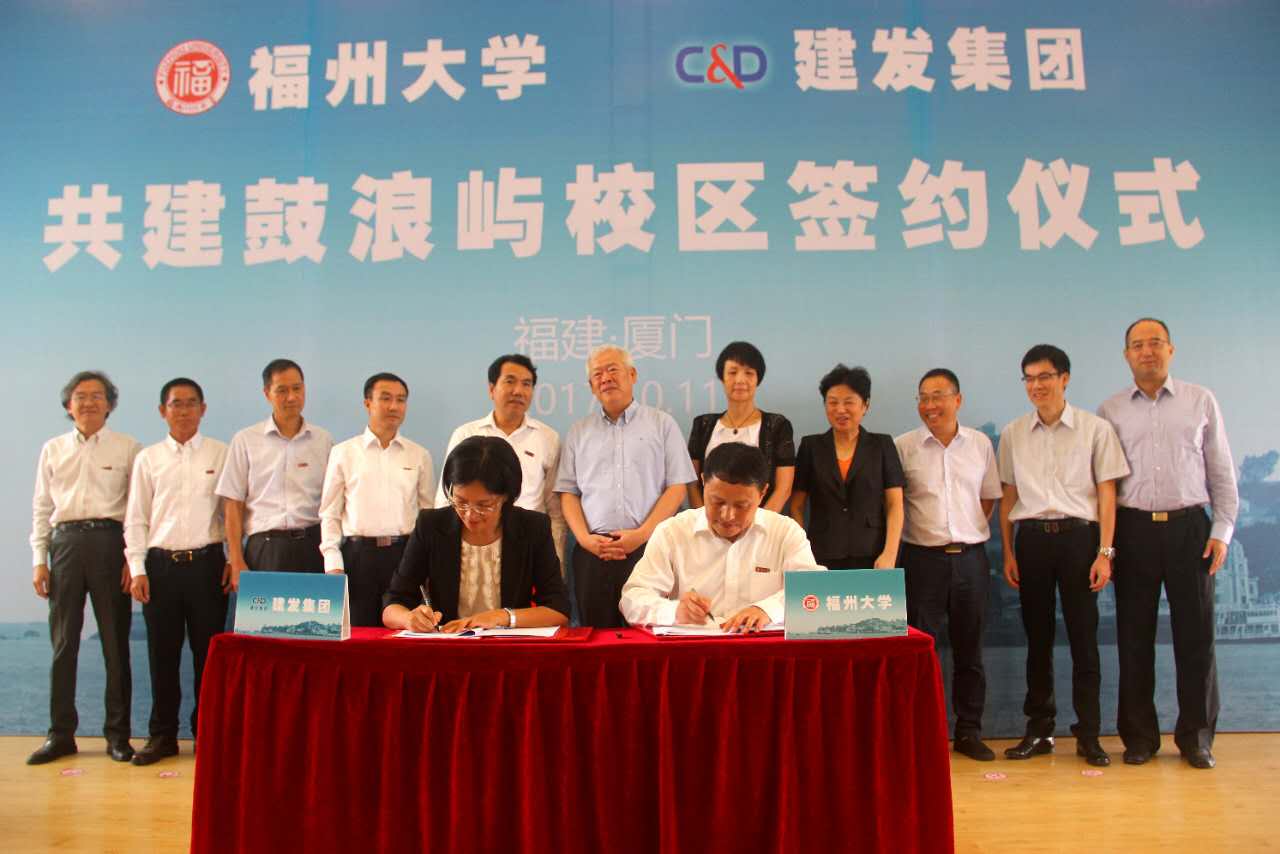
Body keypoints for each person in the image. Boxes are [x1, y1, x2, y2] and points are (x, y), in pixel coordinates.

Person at [1098, 318, 1238, 770]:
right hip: (1133, 531)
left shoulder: (1201, 400)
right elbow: (1103, 485)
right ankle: (1139, 738)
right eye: (1137, 345)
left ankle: (1196, 738)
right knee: (1133, 638)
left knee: (1196, 639)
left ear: (1171, 349)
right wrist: (1106, 546)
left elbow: (1221, 471)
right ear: (1126, 355)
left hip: (1189, 529)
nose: (1147, 351)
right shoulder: (1110, 410)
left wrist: (1221, 531)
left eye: (1155, 343)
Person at [998, 344, 1129, 767]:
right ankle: (1039, 730)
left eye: (1045, 377)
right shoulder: (1013, 433)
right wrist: (1008, 551)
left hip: (1079, 540)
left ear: (1065, 378)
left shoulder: (1095, 429)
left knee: (1084, 640)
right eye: (1029, 378)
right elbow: (1008, 497)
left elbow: (1107, 495)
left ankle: (1089, 735)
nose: (1036, 385)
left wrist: (1104, 553)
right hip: (1032, 541)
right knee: (1037, 641)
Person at [28, 371, 141, 765]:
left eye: (97, 396)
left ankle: (118, 736)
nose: (89, 402)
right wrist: (39, 560)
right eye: (81, 396)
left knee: (115, 645)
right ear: (68, 405)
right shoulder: (53, 449)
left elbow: (136, 510)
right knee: (64, 645)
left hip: (111, 544)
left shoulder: (129, 448)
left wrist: (132, 559)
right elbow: (42, 507)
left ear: (110, 404)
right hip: (65, 546)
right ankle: (60, 735)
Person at [895, 369, 1003, 762]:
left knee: (970, 651)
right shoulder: (903, 446)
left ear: (958, 400)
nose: (930, 405)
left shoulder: (979, 445)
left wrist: (964, 532)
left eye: (938, 396)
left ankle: (969, 732)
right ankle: (922, 733)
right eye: (923, 397)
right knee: (921, 652)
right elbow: (896, 504)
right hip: (922, 559)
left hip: (971, 559)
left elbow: (988, 499)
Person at [124, 378, 229, 765]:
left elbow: (231, 513)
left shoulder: (221, 453)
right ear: (162, 411)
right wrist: (137, 568)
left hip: (208, 565)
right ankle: (162, 736)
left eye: (191, 403)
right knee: (162, 655)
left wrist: (232, 558)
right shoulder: (148, 459)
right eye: (176, 404)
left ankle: (207, 733)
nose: (184, 410)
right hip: (160, 568)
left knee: (209, 655)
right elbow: (136, 518)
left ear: (203, 409)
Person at [554, 345, 695, 627]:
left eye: (612, 369)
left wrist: (641, 535)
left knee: (650, 633)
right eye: (597, 374)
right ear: (591, 386)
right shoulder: (578, 432)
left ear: (632, 375)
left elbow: (677, 487)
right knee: (595, 636)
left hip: (651, 548)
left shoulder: (662, 424)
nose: (605, 378)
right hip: (593, 552)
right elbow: (568, 492)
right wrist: (584, 539)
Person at [620, 443, 818, 631]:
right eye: (717, 502)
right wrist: (674, 611)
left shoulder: (785, 532)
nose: (727, 516)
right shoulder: (672, 532)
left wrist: (768, 610)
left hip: (764, 648)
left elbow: (815, 590)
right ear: (703, 482)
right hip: (695, 649)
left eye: (741, 506)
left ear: (763, 493)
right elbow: (632, 599)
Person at [382, 437, 569, 632]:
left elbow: (558, 608)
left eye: (484, 505)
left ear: (506, 497)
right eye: (460, 502)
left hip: (510, 644)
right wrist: (408, 618)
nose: (470, 515)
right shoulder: (431, 525)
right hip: (448, 643)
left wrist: (502, 617)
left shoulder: (532, 528)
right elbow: (393, 603)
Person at [319, 373, 434, 627]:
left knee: (404, 633)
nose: (394, 406)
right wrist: (333, 564)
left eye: (401, 400)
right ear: (367, 403)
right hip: (358, 558)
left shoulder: (419, 455)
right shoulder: (343, 452)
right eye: (385, 398)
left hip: (404, 556)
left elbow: (428, 516)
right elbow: (329, 513)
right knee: (358, 633)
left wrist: (427, 565)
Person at [435, 354, 566, 565]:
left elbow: (555, 510)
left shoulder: (548, 438)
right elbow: (445, 498)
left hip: (527, 544)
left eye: (526, 384)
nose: (518, 391)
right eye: (510, 381)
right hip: (473, 544)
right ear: (491, 389)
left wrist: (554, 559)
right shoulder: (466, 434)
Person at [216, 359, 333, 587]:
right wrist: (235, 559)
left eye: (297, 388)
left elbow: (333, 501)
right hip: (265, 549)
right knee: (266, 612)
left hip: (313, 546)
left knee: (313, 611)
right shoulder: (246, 440)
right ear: (267, 393)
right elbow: (233, 503)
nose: (291, 397)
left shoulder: (323, 440)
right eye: (282, 390)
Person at [790, 364, 905, 570]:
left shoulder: (882, 445)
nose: (840, 409)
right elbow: (797, 506)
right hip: (820, 554)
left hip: (873, 554)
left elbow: (894, 504)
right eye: (833, 402)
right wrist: (801, 551)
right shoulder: (810, 447)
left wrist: (890, 553)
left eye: (849, 402)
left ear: (865, 405)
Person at [686, 341, 796, 514]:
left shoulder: (777, 426)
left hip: (761, 525)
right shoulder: (703, 425)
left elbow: (784, 489)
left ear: (758, 379)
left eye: (749, 373)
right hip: (709, 524)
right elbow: (692, 484)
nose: (740, 380)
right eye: (732, 372)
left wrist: (755, 525)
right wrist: (707, 522)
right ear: (722, 377)